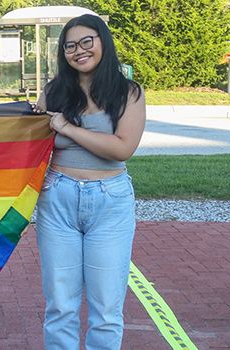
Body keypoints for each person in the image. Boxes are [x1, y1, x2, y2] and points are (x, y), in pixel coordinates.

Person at [31, 14, 146, 350]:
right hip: (57, 200)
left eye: (86, 42)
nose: (78, 51)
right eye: (70, 46)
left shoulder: (128, 93)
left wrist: (67, 128)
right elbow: (31, 147)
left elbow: (122, 149)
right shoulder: (53, 92)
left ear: (102, 43)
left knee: (107, 309)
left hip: (110, 201)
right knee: (61, 305)